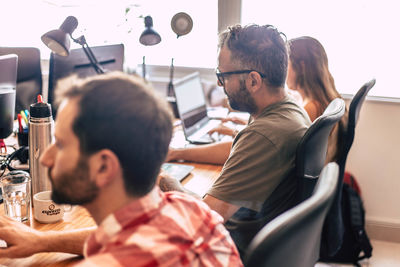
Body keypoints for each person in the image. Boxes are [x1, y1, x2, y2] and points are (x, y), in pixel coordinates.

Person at [0, 72, 243, 266]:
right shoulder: (193, 211)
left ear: (104, 167)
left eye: (61, 144)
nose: (45, 158)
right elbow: (114, 234)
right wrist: (38, 240)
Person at [160, 24, 311, 255]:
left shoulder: (264, 133)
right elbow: (236, 148)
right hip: (257, 235)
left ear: (253, 81)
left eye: (223, 76)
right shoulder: (289, 110)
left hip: (230, 248)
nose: (221, 85)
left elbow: (205, 219)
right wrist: (178, 153)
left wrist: (165, 181)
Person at [287, 36, 348, 162]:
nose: (283, 71)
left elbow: (284, 147)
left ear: (301, 68)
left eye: (286, 64)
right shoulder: (325, 100)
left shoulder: (311, 108)